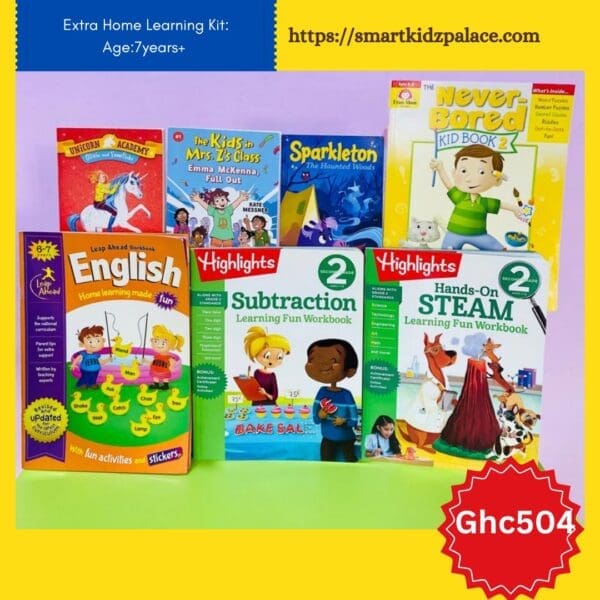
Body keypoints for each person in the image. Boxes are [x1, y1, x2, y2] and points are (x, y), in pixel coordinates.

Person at [430, 144, 523, 250]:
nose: (470, 178)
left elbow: (500, 204)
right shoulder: (460, 197)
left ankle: (500, 250)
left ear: (497, 180)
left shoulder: (484, 202)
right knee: (448, 251)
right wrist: (440, 169)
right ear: (454, 173)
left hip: (479, 235)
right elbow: (449, 185)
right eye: (464, 170)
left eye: (481, 172)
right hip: (455, 233)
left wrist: (515, 209)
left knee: (496, 247)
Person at [306, 338, 359, 462]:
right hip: (328, 438)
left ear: (350, 370)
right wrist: (320, 415)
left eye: (334, 361)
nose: (324, 366)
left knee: (350, 460)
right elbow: (315, 419)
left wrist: (344, 421)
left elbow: (354, 420)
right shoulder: (322, 392)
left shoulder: (346, 395)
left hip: (346, 438)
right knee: (326, 461)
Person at [243, 326, 290, 405]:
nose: (271, 361)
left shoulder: (272, 375)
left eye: (279, 357)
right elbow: (253, 390)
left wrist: (265, 393)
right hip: (256, 404)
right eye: (267, 356)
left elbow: (274, 396)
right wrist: (248, 382)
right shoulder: (257, 372)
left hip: (269, 406)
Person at [145, 324, 184, 389]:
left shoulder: (168, 357)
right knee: (155, 377)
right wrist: (146, 361)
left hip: (165, 370)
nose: (159, 345)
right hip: (156, 370)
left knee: (165, 377)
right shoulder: (156, 356)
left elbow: (173, 362)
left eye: (163, 343)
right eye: (156, 341)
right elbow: (153, 362)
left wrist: (171, 367)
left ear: (170, 345)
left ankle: (165, 385)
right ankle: (156, 384)